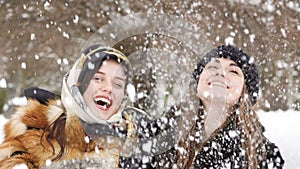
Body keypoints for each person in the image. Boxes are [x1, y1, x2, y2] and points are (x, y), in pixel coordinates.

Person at [0, 45, 140, 168]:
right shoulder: (36, 126)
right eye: (98, 78)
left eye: (118, 84)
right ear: (78, 85)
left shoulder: (137, 142)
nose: (108, 88)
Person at [154, 45, 285, 169]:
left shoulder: (263, 155)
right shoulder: (158, 136)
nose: (220, 73)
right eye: (212, 67)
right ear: (197, 82)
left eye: (233, 71)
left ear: (245, 91)